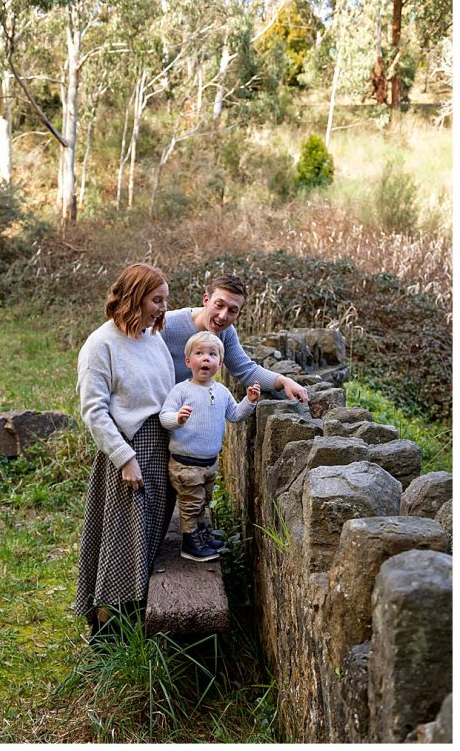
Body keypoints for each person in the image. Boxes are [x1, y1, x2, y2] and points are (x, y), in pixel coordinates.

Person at [76, 262, 176, 640]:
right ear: (135, 297)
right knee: (121, 543)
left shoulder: (152, 338)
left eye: (165, 300)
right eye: (156, 300)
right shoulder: (101, 345)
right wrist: (125, 458)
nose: (163, 308)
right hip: (129, 455)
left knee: (147, 539)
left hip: (159, 447)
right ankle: (107, 637)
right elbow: (94, 410)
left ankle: (135, 629)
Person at [160, 331, 260, 562]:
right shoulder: (181, 390)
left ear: (220, 363)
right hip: (186, 464)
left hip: (209, 464)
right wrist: (178, 418)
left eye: (212, 354)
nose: (206, 359)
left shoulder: (222, 392)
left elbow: (234, 415)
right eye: (199, 354)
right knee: (191, 503)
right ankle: (189, 541)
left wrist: (250, 401)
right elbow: (164, 417)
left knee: (203, 500)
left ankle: (199, 533)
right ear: (188, 361)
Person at [162, 273, 309, 404]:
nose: (223, 316)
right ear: (206, 300)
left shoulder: (226, 333)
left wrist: (283, 381)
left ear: (238, 315)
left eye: (232, 311)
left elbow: (246, 370)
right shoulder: (166, 325)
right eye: (219, 305)